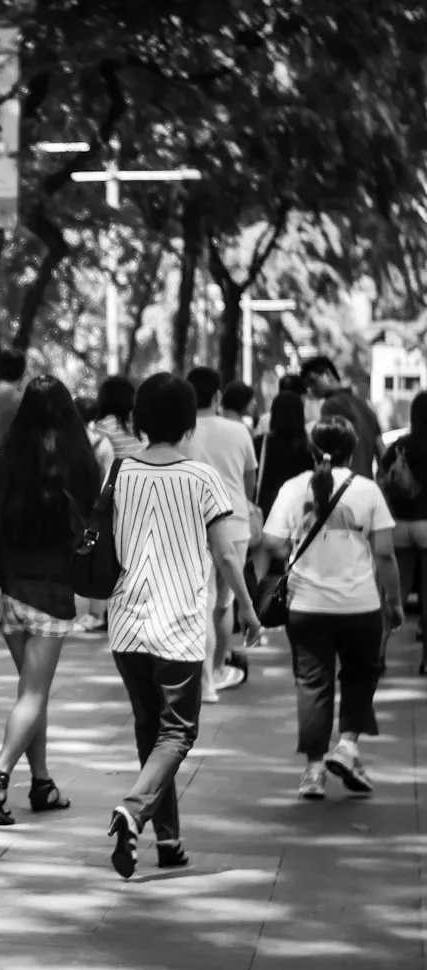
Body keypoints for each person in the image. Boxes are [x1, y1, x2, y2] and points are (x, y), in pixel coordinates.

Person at [106, 373, 260, 879]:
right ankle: (134, 808)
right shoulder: (201, 478)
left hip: (126, 625)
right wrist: (248, 611)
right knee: (177, 733)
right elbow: (226, 555)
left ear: (139, 421)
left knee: (151, 731)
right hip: (178, 626)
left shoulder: (119, 472)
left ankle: (168, 840)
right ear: (189, 421)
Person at [0, 377, 101, 824]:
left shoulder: (6, 457)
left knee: (31, 693)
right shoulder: (81, 462)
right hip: (52, 590)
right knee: (33, 693)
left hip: (8, 586)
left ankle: (43, 783)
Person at [264, 417, 403, 799]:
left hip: (306, 606)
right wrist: (393, 601)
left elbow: (272, 542)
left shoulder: (293, 489)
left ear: (312, 449)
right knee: (361, 675)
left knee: (313, 684)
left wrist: (298, 548)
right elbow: (386, 553)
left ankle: (313, 772)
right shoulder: (368, 491)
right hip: (360, 606)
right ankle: (347, 747)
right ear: (353, 448)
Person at [184, 366, 257, 698]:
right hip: (235, 523)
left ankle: (205, 683)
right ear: (217, 397)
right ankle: (216, 669)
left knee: (203, 600)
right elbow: (249, 482)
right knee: (224, 603)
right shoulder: (239, 431)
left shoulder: (183, 432)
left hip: (195, 522)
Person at [252, 391, 317, 585]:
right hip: (298, 513)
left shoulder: (260, 443)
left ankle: (258, 606)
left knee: (259, 575)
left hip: (265, 509)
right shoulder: (308, 447)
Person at [377, 391, 427, 626]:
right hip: (425, 525)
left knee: (398, 593)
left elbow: (381, 476)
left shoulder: (402, 444)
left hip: (400, 525)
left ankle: (379, 653)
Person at [303, 356, 383, 477]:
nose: (310, 389)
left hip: (342, 483)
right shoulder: (364, 405)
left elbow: (326, 452)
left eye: (312, 381)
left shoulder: (330, 406)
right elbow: (381, 450)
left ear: (327, 374)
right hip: (366, 481)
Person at [91, 376, 144, 460]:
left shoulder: (103, 425)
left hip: (119, 471)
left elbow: (99, 457)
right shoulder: (142, 419)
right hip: (146, 470)